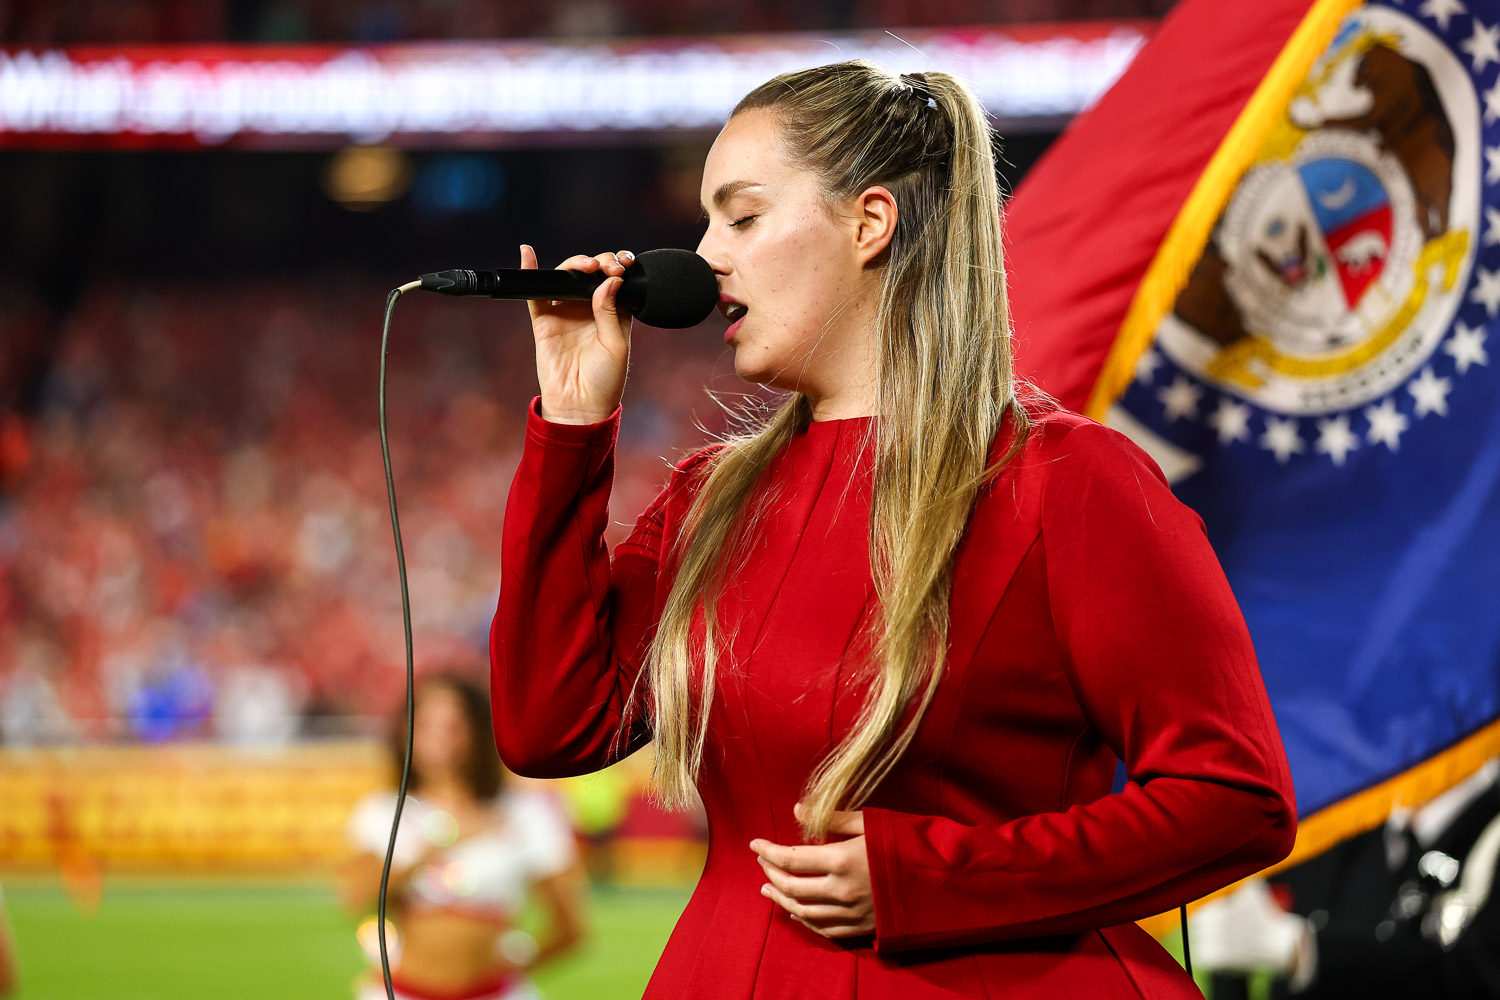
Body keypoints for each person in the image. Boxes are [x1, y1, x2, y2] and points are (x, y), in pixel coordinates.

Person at [491, 59, 1297, 998]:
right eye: (708, 220)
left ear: (870, 223)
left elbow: (1236, 798)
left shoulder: (1069, 483)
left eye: (742, 216)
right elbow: (550, 729)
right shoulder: (710, 498)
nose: (706, 254)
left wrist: (935, 878)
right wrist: (573, 426)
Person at [340, 672, 584, 1000]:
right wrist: (450, 838)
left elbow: (570, 928)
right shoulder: (385, 811)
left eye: (454, 724)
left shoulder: (523, 811)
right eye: (425, 724)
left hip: (496, 992)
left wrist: (515, 963)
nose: (439, 737)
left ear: (480, 731)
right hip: (401, 992)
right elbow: (355, 895)